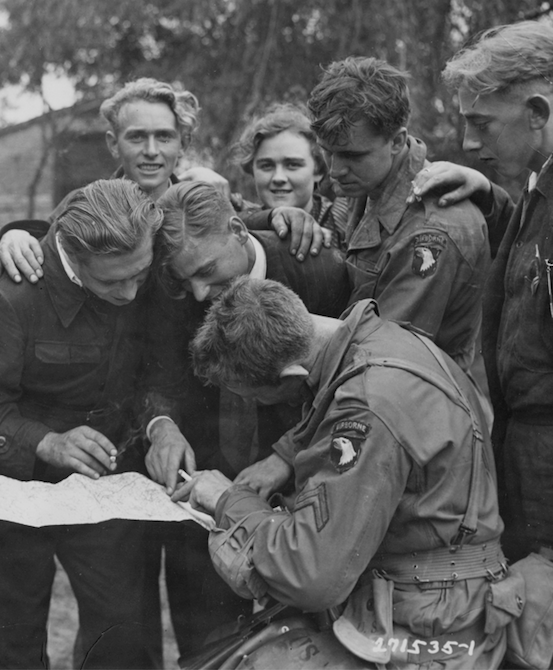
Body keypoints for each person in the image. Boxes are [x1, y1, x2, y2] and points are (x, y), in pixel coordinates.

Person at [176, 276, 509, 669]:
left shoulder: (368, 403)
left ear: (291, 376)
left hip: (431, 626)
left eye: (256, 397)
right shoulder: (381, 340)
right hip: (429, 596)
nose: (258, 404)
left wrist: (228, 500)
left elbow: (311, 575)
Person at [0, 179, 162, 670]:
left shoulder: (133, 261)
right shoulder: (10, 297)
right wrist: (46, 442)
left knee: (122, 637)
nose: (130, 293)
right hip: (14, 493)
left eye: (140, 275)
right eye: (112, 283)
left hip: (104, 484)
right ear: (72, 256)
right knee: (12, 646)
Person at [136, 180, 351, 658]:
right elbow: (157, 372)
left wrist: (286, 457)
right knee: (208, 645)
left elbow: (353, 382)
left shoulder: (317, 269)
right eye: (185, 281)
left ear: (237, 230)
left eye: (207, 272)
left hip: (304, 489)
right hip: (205, 491)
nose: (199, 294)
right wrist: (162, 426)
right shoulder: (174, 287)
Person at [407, 19, 553, 564]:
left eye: (482, 124)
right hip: (525, 458)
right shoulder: (540, 185)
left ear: (536, 113)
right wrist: (492, 198)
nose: (470, 144)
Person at [0, 78, 329, 286]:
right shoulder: (84, 205)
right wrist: (13, 234)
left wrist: (281, 215)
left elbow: (244, 222)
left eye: (164, 137)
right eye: (137, 137)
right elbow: (45, 238)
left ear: (183, 143)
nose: (151, 151)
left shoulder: (205, 201)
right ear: (113, 144)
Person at [305, 56, 490, 369]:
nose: (335, 170)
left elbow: (385, 356)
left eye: (351, 156)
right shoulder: (369, 183)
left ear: (397, 141)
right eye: (327, 151)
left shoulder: (433, 229)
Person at [235, 102, 349, 249]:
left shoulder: (345, 220)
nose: (278, 178)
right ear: (253, 170)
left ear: (318, 171)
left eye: (293, 165)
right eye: (266, 166)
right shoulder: (240, 227)